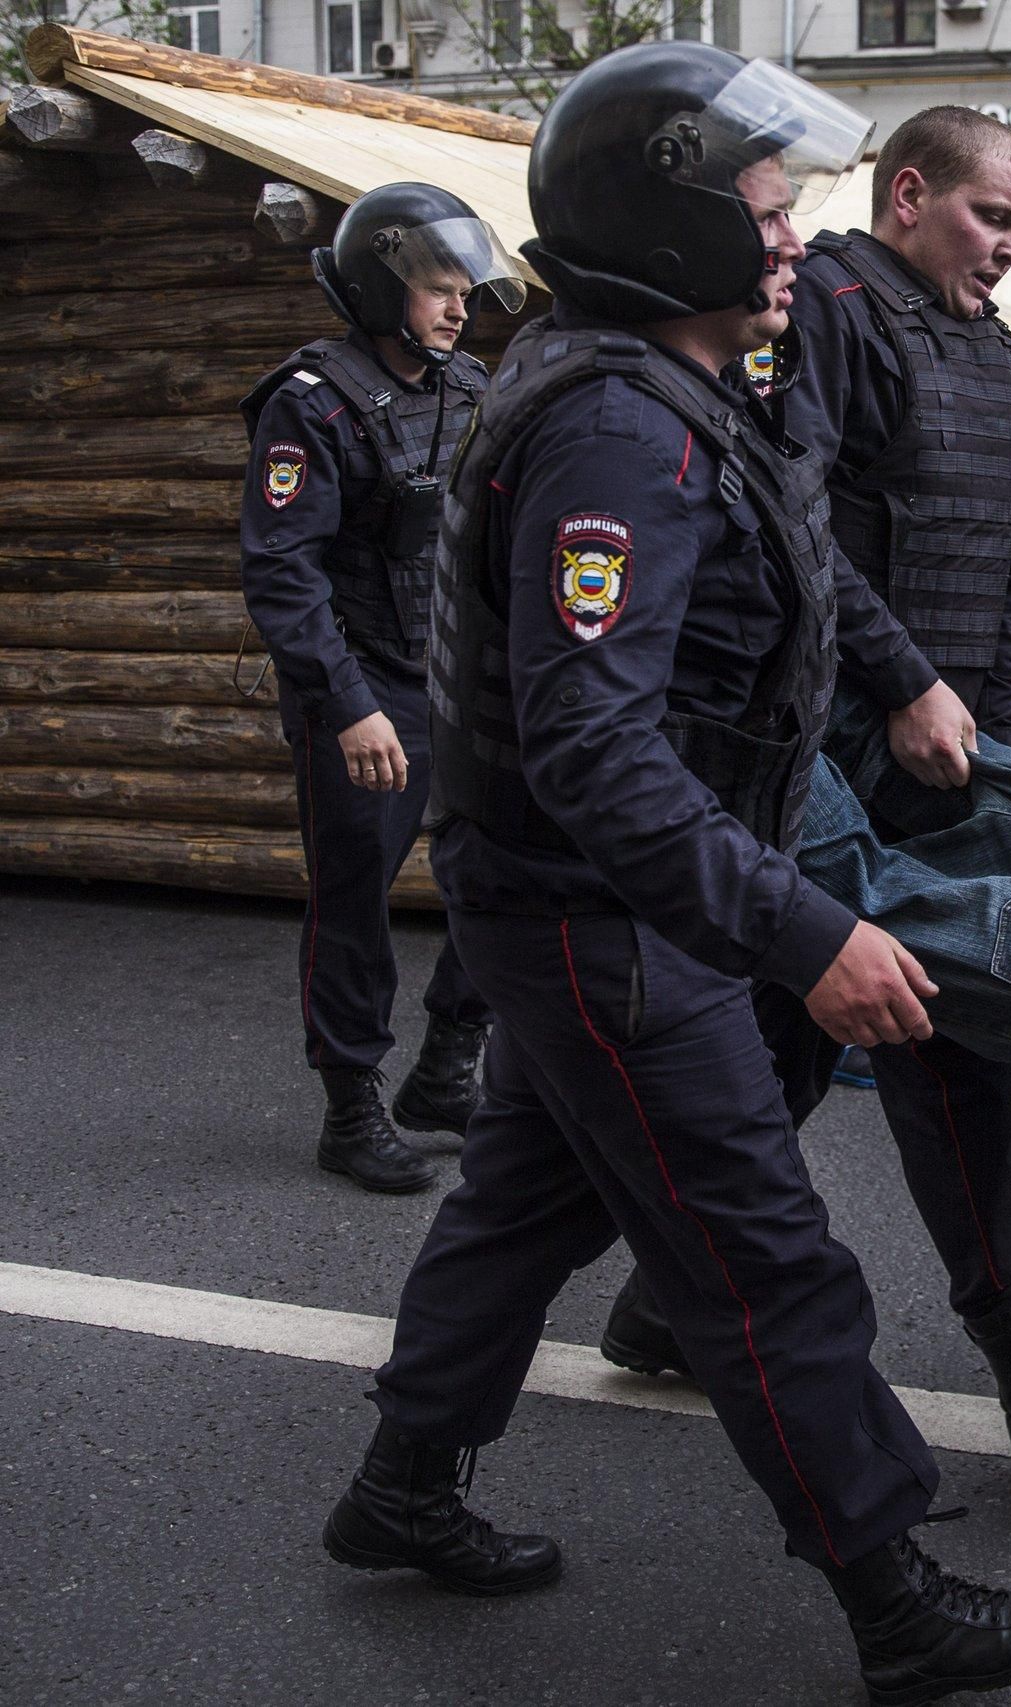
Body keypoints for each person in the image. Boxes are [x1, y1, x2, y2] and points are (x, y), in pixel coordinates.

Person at [323, 45, 1011, 1702]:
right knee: (760, 1249)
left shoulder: (676, 387)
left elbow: (798, 582)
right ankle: (896, 1599)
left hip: (607, 895)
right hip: (600, 911)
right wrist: (806, 931)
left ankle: (397, 1489)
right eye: (764, 212)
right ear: (664, 226)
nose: (791, 243)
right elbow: (597, 753)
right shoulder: (616, 430)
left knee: (526, 1201)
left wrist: (891, 691)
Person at [597, 104, 1011, 1490]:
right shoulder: (826, 310)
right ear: (910, 195)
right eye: (992, 218)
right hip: (818, 740)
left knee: (795, 1034)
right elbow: (794, 525)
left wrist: (994, 718)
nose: (1008, 251)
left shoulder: (989, 346)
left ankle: (663, 1290)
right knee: (945, 1020)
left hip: (939, 749)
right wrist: (902, 682)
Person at [238, 183, 519, 1193]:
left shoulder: (473, 386)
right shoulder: (309, 403)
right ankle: (350, 1106)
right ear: (376, 286)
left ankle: (447, 1068)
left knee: (505, 871)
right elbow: (282, 574)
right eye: (439, 291)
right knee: (354, 900)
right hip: (361, 690)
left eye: (465, 292)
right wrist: (347, 704)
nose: (459, 309)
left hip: (459, 685)